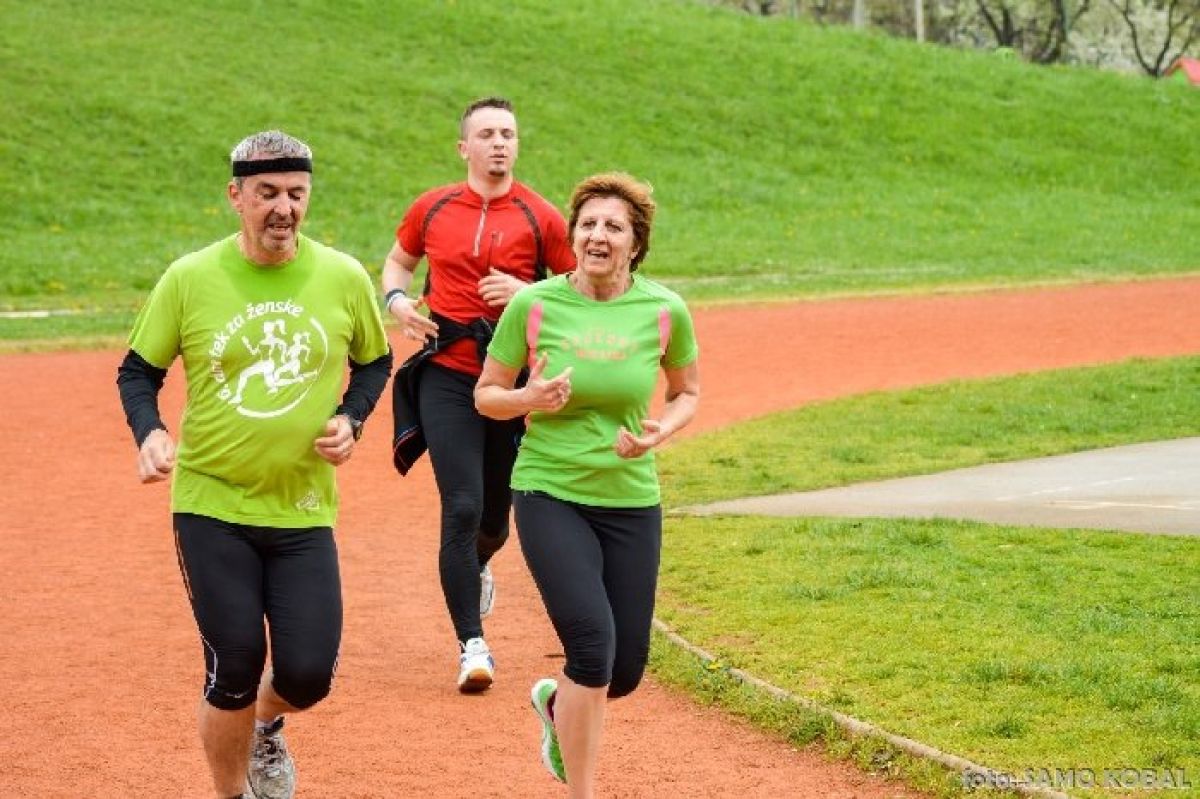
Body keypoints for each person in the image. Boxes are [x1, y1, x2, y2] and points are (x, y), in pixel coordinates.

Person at [116, 131, 392, 799]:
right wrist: (150, 432)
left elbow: (375, 361)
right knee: (235, 664)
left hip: (302, 507)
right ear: (235, 196)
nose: (283, 208)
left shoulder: (342, 276)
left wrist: (351, 418)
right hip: (212, 504)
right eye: (267, 193)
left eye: (296, 193)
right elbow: (138, 371)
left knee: (308, 675)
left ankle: (266, 724)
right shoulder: (190, 277)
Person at [474, 173, 700, 796]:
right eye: (588, 225)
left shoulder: (664, 311)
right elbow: (487, 395)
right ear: (573, 235)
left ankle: (556, 706)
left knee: (622, 673)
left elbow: (687, 392)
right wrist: (529, 397)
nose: (598, 236)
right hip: (550, 490)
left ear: (636, 243)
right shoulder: (534, 305)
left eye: (613, 227)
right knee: (593, 649)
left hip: (631, 496)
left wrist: (660, 431)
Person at [381, 96, 574, 692]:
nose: (499, 143)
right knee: (461, 507)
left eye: (508, 134)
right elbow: (397, 263)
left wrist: (526, 292)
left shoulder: (542, 217)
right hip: (447, 372)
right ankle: (472, 646)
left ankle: (479, 564)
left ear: (517, 145)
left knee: (494, 521)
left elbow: (579, 292)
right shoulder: (432, 207)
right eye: (487, 134)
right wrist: (397, 302)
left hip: (510, 383)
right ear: (464, 146)